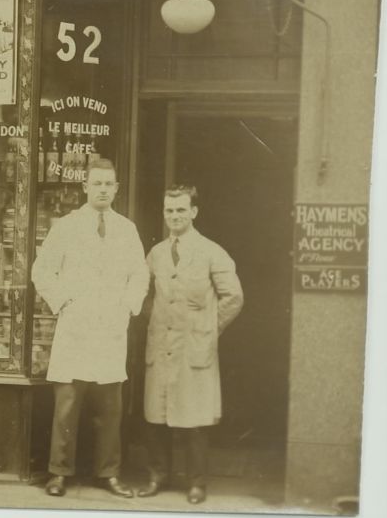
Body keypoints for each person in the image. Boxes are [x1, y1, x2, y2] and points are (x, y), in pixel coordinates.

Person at [30, 158, 149, 498]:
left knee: (111, 406)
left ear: (116, 188)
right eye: (95, 184)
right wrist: (63, 301)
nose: (102, 190)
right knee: (67, 403)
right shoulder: (66, 226)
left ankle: (108, 473)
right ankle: (59, 472)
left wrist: (128, 306)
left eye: (108, 184)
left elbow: (140, 273)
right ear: (84, 187)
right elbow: (42, 271)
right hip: (76, 327)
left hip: (110, 327)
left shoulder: (126, 229)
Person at [138, 185, 244, 505]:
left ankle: (197, 483)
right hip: (161, 344)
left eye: (181, 210)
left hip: (193, 347)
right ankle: (158, 476)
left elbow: (234, 297)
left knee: (195, 419)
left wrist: (208, 328)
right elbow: (142, 294)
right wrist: (154, 319)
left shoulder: (212, 251)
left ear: (194, 212)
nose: (174, 216)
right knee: (157, 416)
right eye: (169, 210)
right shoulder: (155, 253)